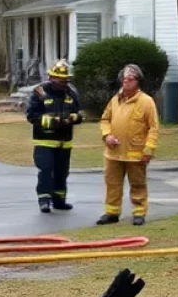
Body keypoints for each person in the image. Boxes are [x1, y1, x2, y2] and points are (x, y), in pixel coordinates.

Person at [97, 63, 159, 227]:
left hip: (136, 153)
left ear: (138, 81)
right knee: (112, 183)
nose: (127, 81)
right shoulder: (115, 100)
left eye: (131, 79)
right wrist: (107, 135)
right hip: (113, 152)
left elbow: (153, 127)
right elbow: (105, 120)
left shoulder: (146, 102)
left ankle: (139, 213)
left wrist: (148, 150)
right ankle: (112, 212)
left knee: (138, 184)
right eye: (124, 78)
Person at [26, 59, 82, 214]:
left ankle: (59, 201)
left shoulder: (71, 93)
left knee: (62, 172)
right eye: (60, 80)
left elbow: (79, 114)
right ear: (51, 78)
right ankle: (44, 200)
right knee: (46, 170)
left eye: (66, 80)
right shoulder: (40, 92)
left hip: (64, 142)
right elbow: (31, 115)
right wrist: (51, 121)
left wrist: (73, 118)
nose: (63, 83)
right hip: (45, 141)